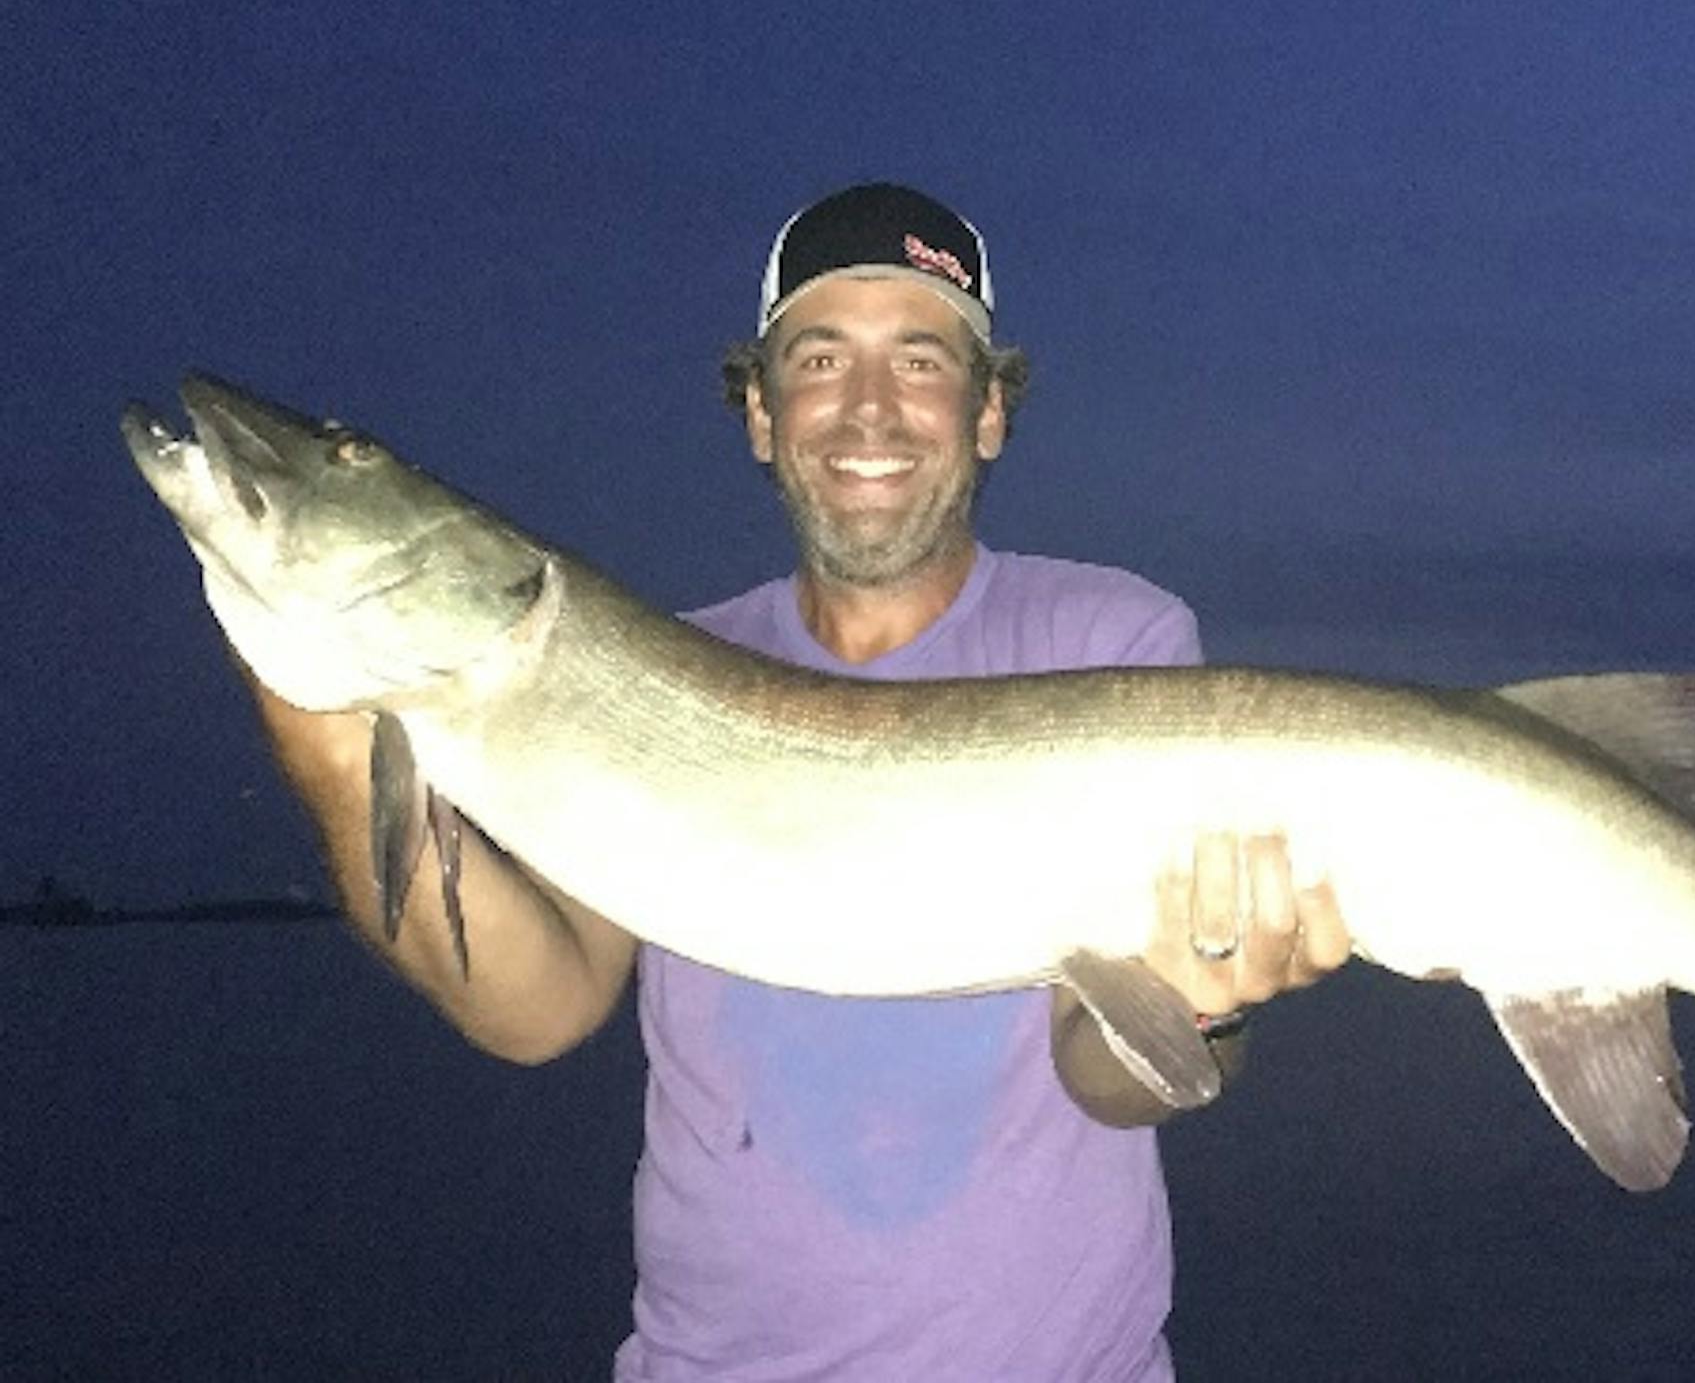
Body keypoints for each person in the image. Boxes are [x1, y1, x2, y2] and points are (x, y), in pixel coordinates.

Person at [246, 182, 1352, 1380]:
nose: (868, 407)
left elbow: (1109, 1072)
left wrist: (1205, 998)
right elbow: (537, 1006)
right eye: (819, 359)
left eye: (922, 360)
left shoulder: (1116, 639)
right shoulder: (656, 670)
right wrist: (326, 735)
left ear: (989, 413)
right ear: (763, 414)